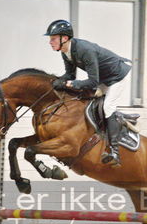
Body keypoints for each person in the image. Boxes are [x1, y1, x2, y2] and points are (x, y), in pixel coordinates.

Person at [44, 19, 132, 167]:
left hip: (118, 75)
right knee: (87, 100)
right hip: (104, 78)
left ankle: (114, 151)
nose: (50, 42)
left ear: (64, 38)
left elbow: (92, 82)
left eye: (53, 38)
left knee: (107, 107)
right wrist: (55, 81)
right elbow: (70, 75)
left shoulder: (85, 50)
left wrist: (67, 84)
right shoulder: (65, 52)